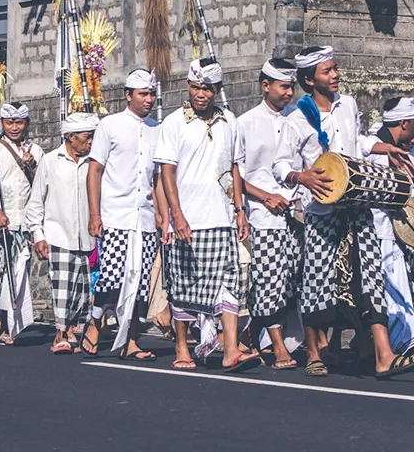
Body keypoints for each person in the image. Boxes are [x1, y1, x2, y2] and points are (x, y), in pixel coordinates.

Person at [272, 46, 407, 378]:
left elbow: (355, 143)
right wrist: (300, 176)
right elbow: (279, 165)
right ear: (308, 79)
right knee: (318, 279)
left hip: (356, 205)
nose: (335, 75)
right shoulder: (297, 118)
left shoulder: (347, 105)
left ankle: (384, 354)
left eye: (335, 69)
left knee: (369, 274)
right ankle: (314, 351)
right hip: (321, 210)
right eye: (327, 71)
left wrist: (382, 146)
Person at [155, 57, 257, 373]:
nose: (201, 94)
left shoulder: (231, 122)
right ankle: (182, 347)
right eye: (196, 87)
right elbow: (166, 173)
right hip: (187, 219)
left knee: (230, 283)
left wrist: (240, 211)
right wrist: (177, 215)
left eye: (207, 88)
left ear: (217, 89)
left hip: (222, 218)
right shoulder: (173, 123)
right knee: (184, 286)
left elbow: (235, 169)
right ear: (189, 86)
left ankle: (229, 351)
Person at [82, 69, 162, 360]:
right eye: (143, 94)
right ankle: (95, 321)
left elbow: (158, 179)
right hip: (115, 214)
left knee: (140, 282)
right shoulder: (110, 125)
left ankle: (130, 340)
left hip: (146, 217)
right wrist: (94, 214)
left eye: (152, 94)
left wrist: (163, 216)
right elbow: (95, 170)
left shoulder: (157, 128)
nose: (149, 99)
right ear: (128, 95)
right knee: (113, 276)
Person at [359, 97, 414, 377]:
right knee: (394, 291)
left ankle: (408, 346)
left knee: (413, 289)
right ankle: (404, 348)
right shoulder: (374, 151)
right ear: (403, 123)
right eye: (413, 123)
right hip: (380, 230)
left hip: (410, 231)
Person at [237, 58, 302, 371]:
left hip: (299, 213)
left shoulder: (300, 118)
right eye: (283, 86)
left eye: (292, 86)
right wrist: (265, 197)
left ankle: (255, 335)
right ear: (265, 86)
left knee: (295, 283)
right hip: (262, 217)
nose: (289, 92)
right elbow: (232, 176)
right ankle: (278, 348)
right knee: (269, 282)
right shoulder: (246, 123)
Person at [27, 113, 99, 354]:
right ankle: (59, 333)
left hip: (88, 236)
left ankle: (73, 331)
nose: (90, 143)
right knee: (62, 287)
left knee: (82, 289)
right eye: (87, 138)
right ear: (71, 137)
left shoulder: (94, 162)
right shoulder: (50, 161)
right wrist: (38, 234)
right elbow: (36, 201)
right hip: (58, 234)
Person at [0, 102, 44, 346]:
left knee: (15, 277)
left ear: (26, 124)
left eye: (19, 122)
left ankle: (6, 326)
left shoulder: (36, 150)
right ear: (1, 123)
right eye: (10, 122)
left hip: (22, 225)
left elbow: (40, 187)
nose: (14, 127)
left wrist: (31, 165)